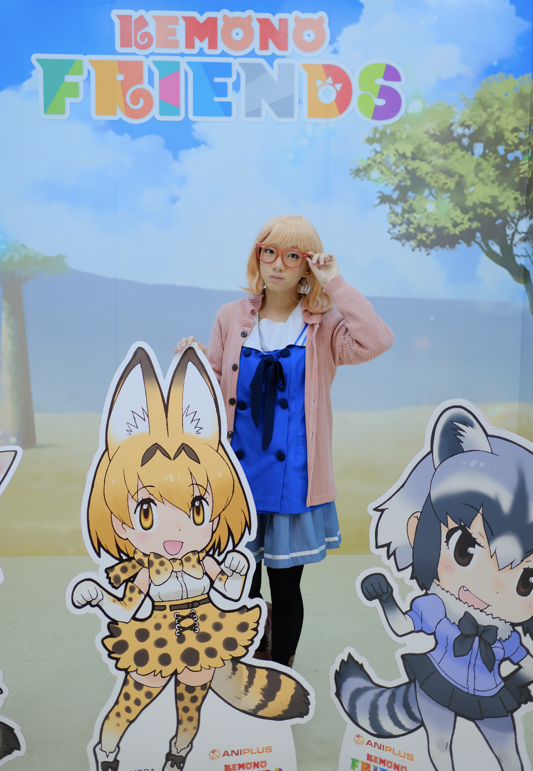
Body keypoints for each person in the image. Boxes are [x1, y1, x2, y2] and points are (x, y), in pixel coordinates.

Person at [70, 346, 310, 771]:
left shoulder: (204, 560)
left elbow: (233, 594)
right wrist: (97, 595)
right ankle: (107, 754)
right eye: (147, 513)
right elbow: (125, 607)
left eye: (197, 509)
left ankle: (178, 758)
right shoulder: (147, 569)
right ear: (122, 522)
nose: (176, 531)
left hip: (204, 637)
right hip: (156, 641)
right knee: (129, 704)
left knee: (189, 712)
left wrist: (237, 571)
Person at [176, 214, 393, 667]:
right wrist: (192, 361)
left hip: (294, 477)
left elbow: (376, 340)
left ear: (307, 264)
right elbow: (213, 387)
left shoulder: (324, 324)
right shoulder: (230, 316)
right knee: (240, 580)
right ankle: (248, 661)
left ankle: (281, 670)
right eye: (269, 252)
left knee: (286, 583)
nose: (278, 264)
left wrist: (336, 284)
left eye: (293, 256)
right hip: (237, 474)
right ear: (257, 255)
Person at [335, 403, 533, 771]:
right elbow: (402, 628)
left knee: (510, 756)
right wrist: (387, 598)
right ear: (419, 531)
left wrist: (515, 685)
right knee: (440, 747)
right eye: (465, 549)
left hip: (492, 695)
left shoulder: (504, 631)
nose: (491, 586)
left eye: (527, 579)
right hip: (437, 684)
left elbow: (529, 665)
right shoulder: (438, 607)